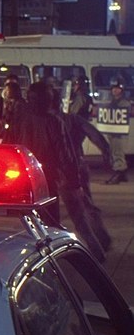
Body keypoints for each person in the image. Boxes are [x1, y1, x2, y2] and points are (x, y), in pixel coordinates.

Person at [3, 82, 81, 226]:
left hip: (24, 176)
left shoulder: (19, 120)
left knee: (27, 219)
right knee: (50, 219)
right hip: (46, 177)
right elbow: (65, 154)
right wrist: (74, 180)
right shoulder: (54, 122)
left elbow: (8, 147)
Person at [54, 92, 113, 255]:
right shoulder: (73, 119)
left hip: (60, 170)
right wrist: (106, 152)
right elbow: (95, 134)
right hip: (77, 165)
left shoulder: (47, 121)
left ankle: (96, 248)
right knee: (86, 204)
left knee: (74, 211)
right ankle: (102, 238)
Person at [105, 83, 130, 184]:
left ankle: (118, 172)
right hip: (112, 130)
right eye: (113, 88)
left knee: (117, 152)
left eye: (117, 88)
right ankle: (123, 174)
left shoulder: (124, 103)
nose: (115, 90)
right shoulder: (112, 101)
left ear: (121, 90)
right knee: (114, 151)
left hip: (119, 132)